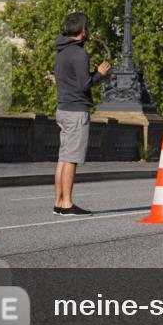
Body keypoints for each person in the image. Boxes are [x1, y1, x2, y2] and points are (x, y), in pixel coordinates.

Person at [53, 12, 111, 216]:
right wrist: (100, 74)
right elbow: (83, 84)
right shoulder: (79, 53)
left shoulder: (61, 50)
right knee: (71, 158)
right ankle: (67, 203)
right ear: (83, 30)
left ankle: (59, 202)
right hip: (76, 110)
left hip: (63, 108)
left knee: (63, 157)